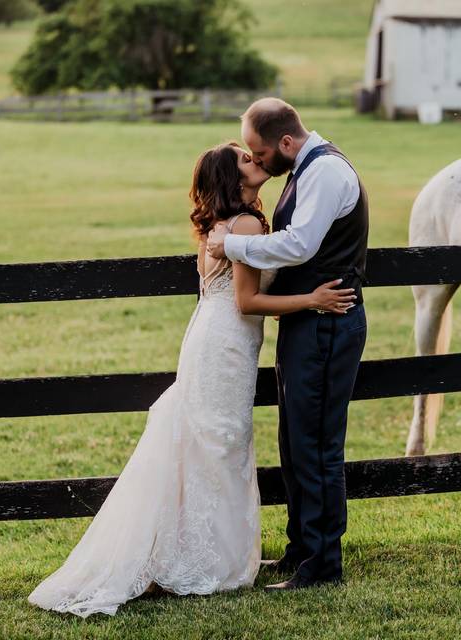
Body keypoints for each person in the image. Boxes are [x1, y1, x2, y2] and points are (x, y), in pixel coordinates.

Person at [27, 142, 356, 618]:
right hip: (225, 345)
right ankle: (210, 560)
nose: (257, 162)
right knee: (221, 442)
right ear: (233, 179)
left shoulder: (225, 226)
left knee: (208, 442)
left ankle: (200, 552)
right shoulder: (242, 225)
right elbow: (247, 302)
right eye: (246, 160)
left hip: (211, 338)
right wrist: (313, 301)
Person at [207, 97, 369, 590]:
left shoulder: (326, 173)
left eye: (258, 153)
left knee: (317, 444)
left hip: (327, 320)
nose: (256, 162)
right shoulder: (304, 168)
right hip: (308, 320)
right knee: (296, 440)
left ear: (285, 142)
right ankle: (302, 548)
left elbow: (300, 245)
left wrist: (231, 245)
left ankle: (322, 566)